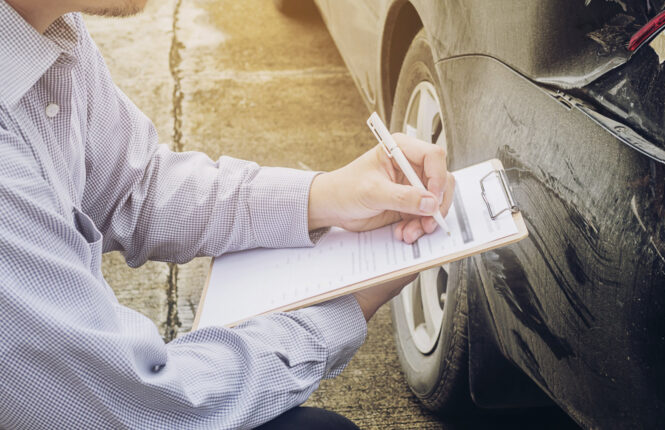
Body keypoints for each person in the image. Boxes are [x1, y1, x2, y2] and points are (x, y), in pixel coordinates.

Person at [0, 0, 454, 428]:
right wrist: (345, 306)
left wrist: (326, 195)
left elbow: (134, 188)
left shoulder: (50, 34)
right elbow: (142, 405)